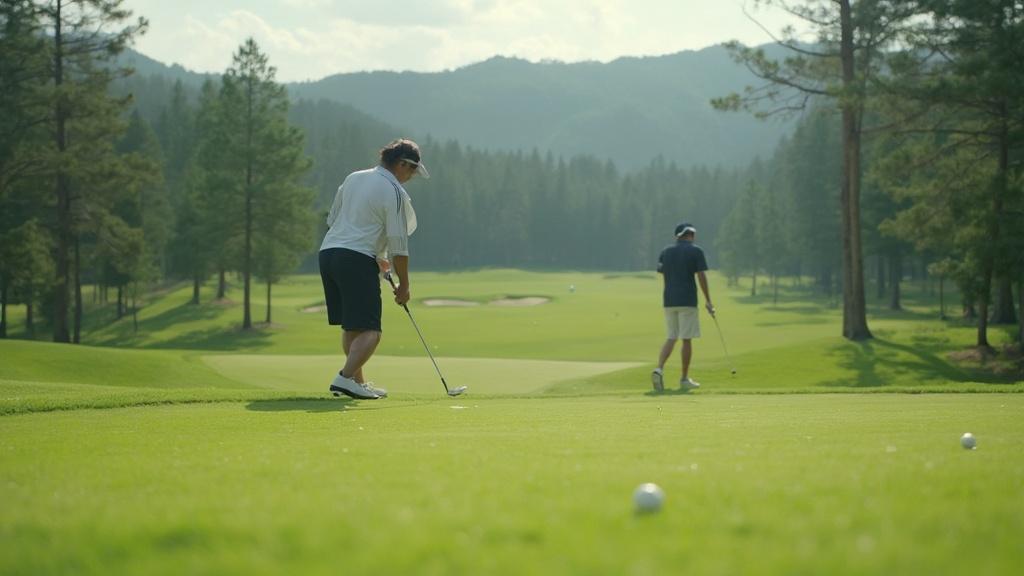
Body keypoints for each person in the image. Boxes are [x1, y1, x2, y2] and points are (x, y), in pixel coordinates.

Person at [318, 139, 429, 399]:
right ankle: (344, 378)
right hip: (356, 259)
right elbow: (399, 246)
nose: (412, 177)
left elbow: (334, 219)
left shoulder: (354, 177)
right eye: (412, 170)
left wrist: (377, 256)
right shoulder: (394, 191)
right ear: (402, 164)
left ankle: (356, 383)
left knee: (353, 327)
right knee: (371, 331)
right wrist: (404, 286)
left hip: (329, 254)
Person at [652, 222, 714, 392]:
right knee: (686, 339)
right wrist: (708, 301)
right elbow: (701, 276)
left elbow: (664, 274)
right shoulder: (696, 251)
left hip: (669, 301)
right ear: (690, 235)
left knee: (671, 337)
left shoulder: (665, 252)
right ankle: (684, 379)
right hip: (687, 301)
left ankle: (659, 369)